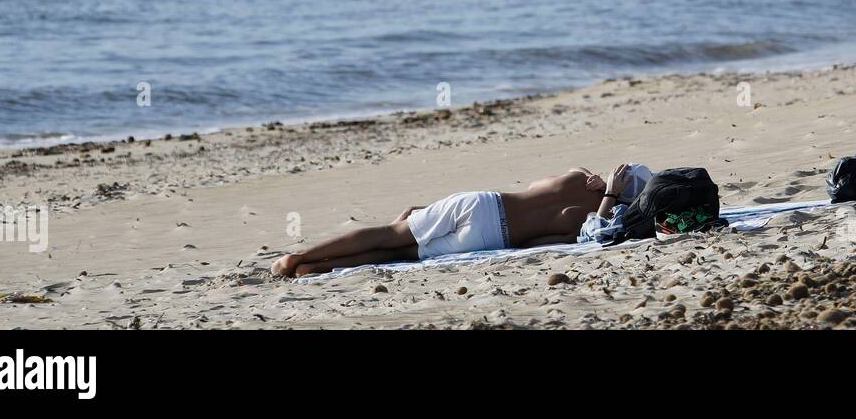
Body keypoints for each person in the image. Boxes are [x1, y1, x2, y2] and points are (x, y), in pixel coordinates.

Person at [270, 164, 649, 277]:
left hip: (482, 205)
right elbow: (559, 243)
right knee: (404, 253)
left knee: (391, 232)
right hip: (490, 237)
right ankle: (318, 270)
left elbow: (548, 180)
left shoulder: (577, 178)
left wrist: (600, 182)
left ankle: (298, 255)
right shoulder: (585, 219)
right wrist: (609, 199)